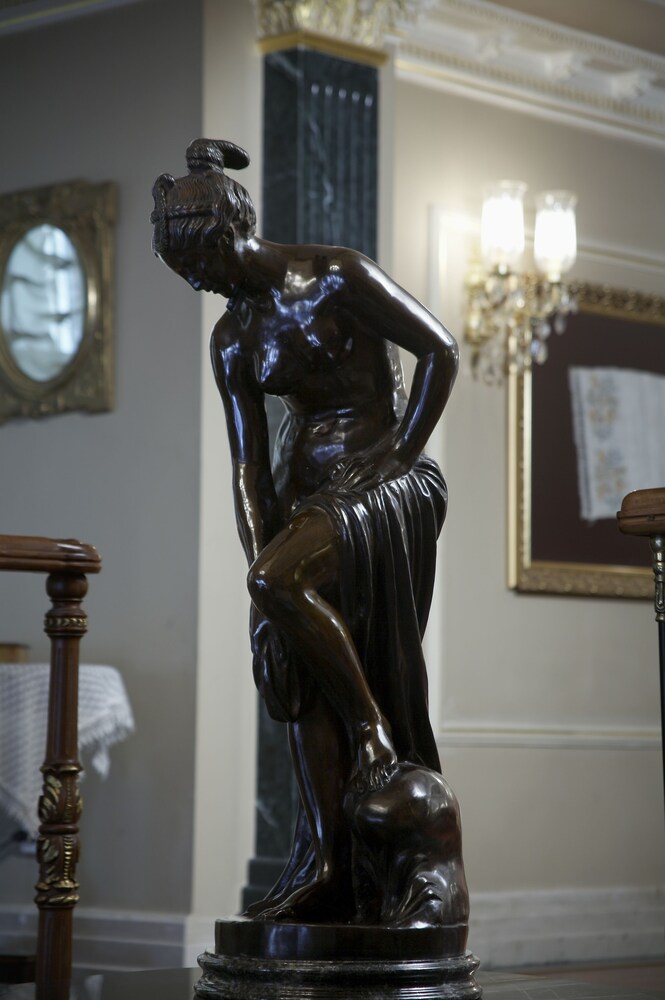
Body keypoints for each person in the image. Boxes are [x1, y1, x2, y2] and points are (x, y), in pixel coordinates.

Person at [152, 138, 459, 923]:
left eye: (203, 268)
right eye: (188, 277)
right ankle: (327, 864)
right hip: (306, 497)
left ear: (232, 235)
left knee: (276, 581)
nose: (201, 286)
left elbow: (439, 350)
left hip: (385, 483)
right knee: (289, 642)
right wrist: (261, 572)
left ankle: (373, 730)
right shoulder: (232, 337)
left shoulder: (336, 276)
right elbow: (248, 470)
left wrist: (398, 452)